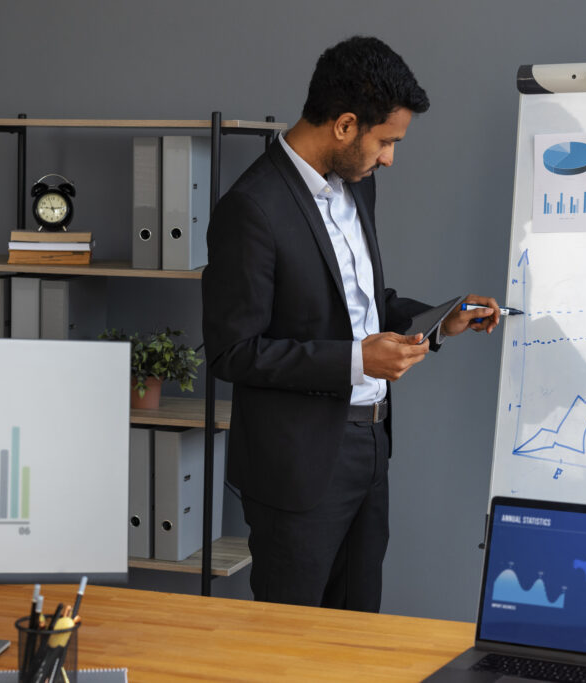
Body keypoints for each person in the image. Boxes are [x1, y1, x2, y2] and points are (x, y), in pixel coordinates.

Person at [201, 35, 500, 612]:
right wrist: (357, 360)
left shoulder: (359, 189)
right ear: (344, 126)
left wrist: (438, 321)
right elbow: (232, 351)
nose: (389, 158)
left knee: (360, 629)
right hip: (298, 467)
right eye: (386, 141)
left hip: (371, 447)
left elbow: (362, 302)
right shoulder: (251, 208)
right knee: (293, 642)